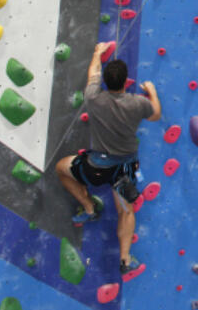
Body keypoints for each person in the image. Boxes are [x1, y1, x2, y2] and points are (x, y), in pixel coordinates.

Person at [55, 43, 161, 279]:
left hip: (94, 167)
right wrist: (152, 91)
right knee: (126, 212)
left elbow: (93, 74)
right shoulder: (137, 103)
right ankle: (125, 260)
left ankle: (90, 207)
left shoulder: (93, 97)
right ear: (125, 83)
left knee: (61, 168)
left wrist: (96, 53)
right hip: (122, 171)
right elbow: (156, 114)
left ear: (106, 81)